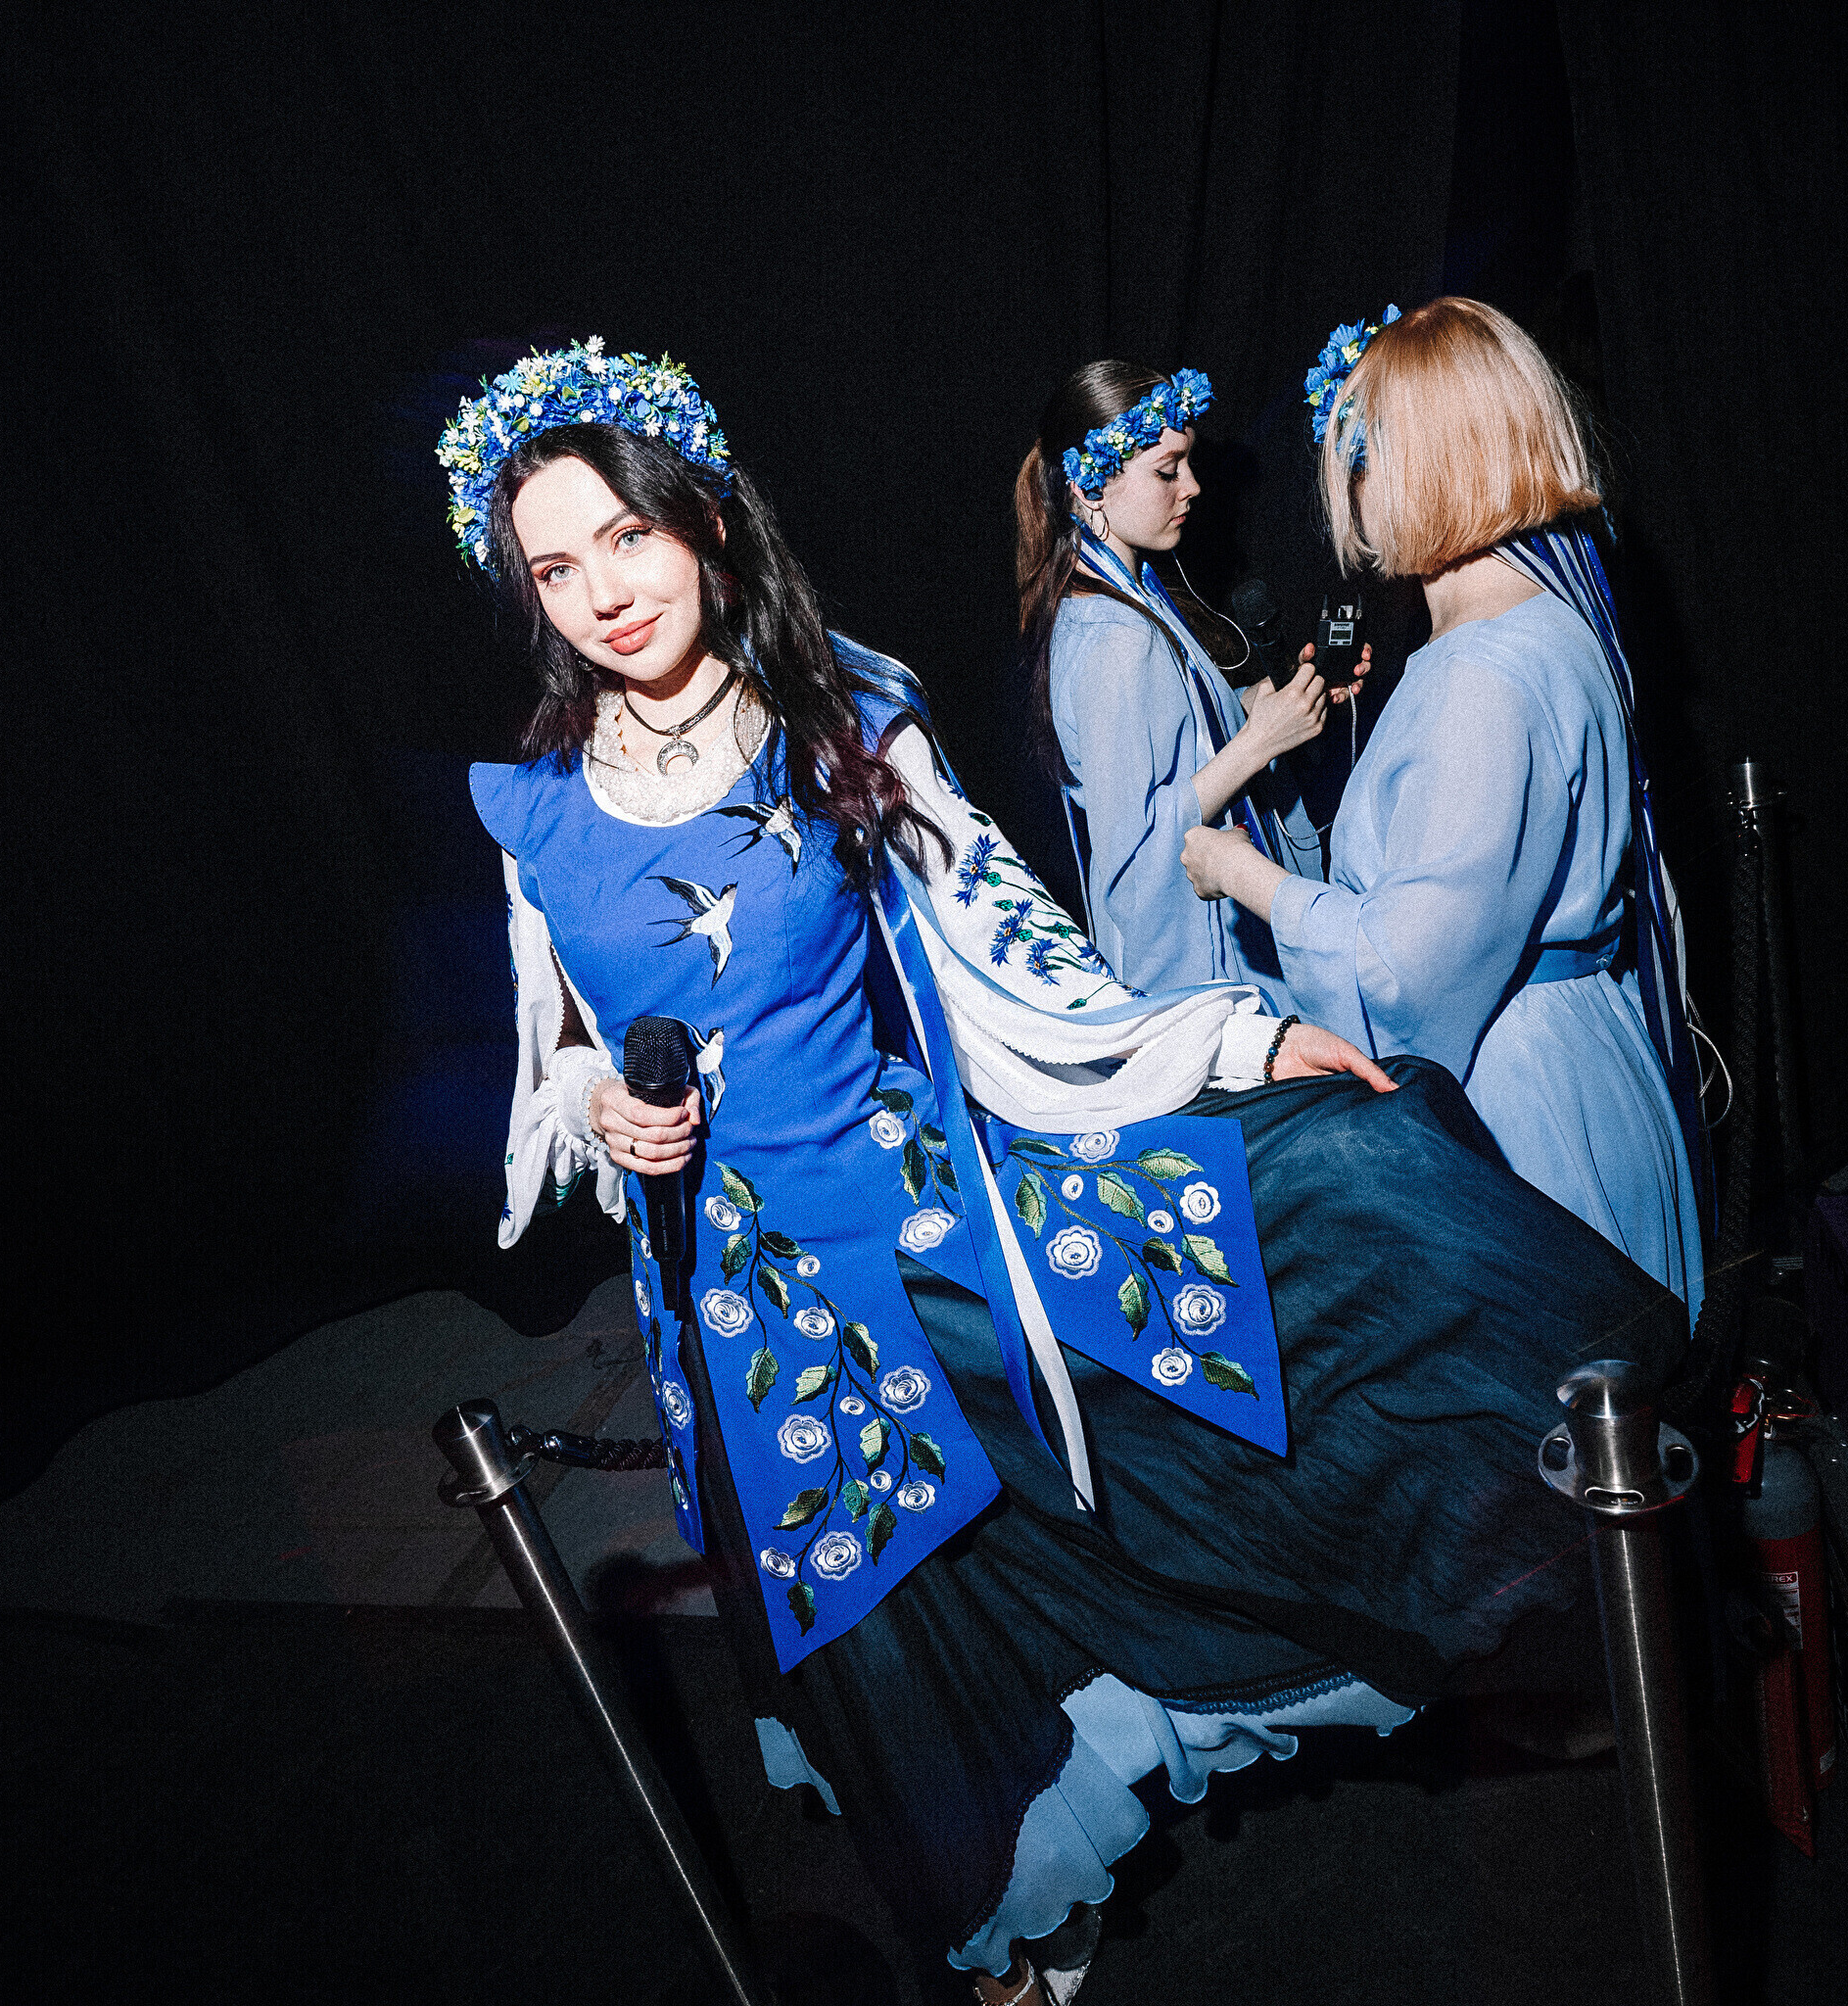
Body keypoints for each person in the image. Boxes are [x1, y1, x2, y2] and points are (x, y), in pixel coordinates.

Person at [447, 339, 1679, 2000]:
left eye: (627, 535)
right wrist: (603, 1104)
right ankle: (999, 1946)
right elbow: (558, 1050)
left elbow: (1014, 953)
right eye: (554, 567)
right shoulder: (535, 808)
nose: (601, 591)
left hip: (922, 1232)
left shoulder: (845, 714)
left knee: (1254, 1305)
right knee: (872, 1628)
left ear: (708, 523)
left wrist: (1236, 1040)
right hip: (736, 1312)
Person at [1182, 298, 1706, 1313]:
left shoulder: (1480, 675)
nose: (1352, 497)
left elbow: (1407, 976)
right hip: (1585, 1062)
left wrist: (1247, 877)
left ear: (1413, 465)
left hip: (1517, 1105)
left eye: (1359, 461)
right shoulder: (1553, 619)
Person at [1017, 361, 1362, 1008]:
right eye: (1167, 471)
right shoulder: (1114, 637)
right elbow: (1134, 853)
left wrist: (1268, 706)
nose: (1194, 487)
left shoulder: (1134, 594)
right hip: (1200, 983)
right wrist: (1258, 743)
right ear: (1091, 488)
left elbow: (1176, 744)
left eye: (1189, 465)